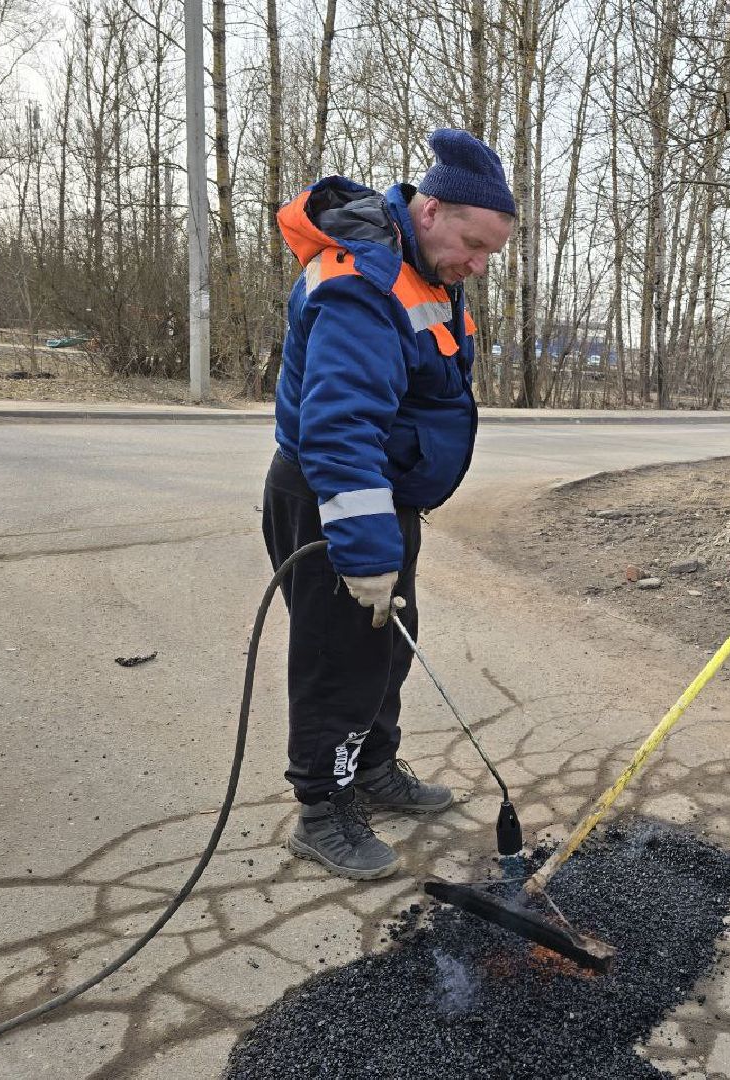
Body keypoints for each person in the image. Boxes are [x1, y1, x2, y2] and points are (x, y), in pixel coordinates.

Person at [263, 129, 515, 878]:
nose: (476, 264)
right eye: (471, 243)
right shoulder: (361, 283)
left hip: (379, 496)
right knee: (339, 656)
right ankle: (322, 808)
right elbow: (341, 429)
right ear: (431, 209)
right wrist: (368, 552)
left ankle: (373, 768)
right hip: (332, 496)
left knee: (386, 644)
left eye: (489, 256)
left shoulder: (426, 271)